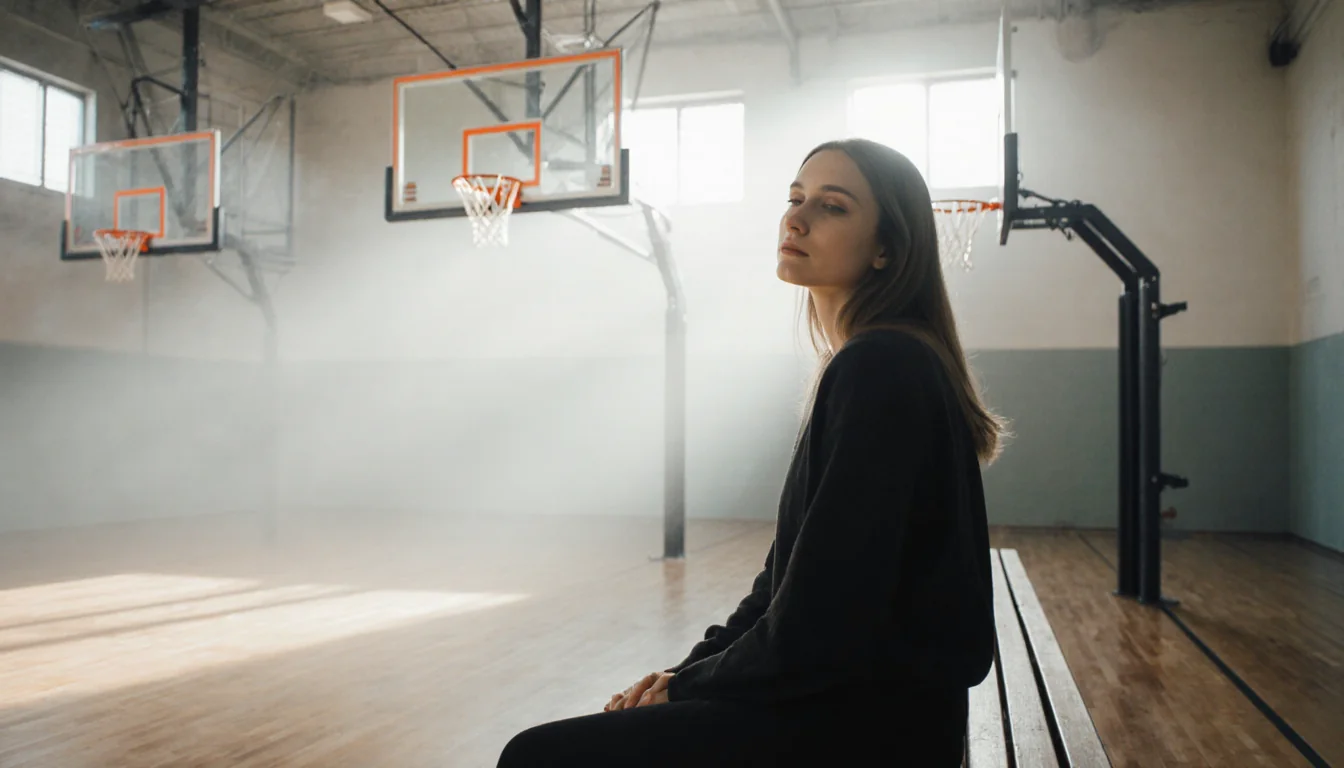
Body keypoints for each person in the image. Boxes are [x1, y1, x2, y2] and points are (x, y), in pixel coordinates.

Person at [497, 139, 1006, 767]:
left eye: (832, 207)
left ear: (886, 249)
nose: (795, 219)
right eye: (795, 199)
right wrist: (678, 674)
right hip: (857, 703)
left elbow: (818, 630)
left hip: (871, 728)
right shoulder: (873, 360)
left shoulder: (883, 366)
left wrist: (685, 688)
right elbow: (779, 588)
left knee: (536, 757)